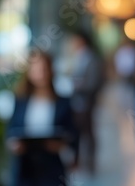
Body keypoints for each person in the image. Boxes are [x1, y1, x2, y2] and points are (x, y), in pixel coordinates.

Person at [7, 50, 79, 186]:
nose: (41, 74)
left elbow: (73, 134)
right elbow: (11, 129)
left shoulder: (63, 103)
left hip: (52, 167)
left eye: (44, 69)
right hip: (25, 168)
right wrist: (14, 145)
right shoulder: (20, 101)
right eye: (36, 70)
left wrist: (62, 145)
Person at [67, 29, 105, 174]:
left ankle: (90, 162)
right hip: (77, 101)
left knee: (88, 132)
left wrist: (78, 85)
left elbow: (94, 82)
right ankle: (79, 160)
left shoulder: (91, 58)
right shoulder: (77, 57)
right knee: (76, 132)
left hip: (87, 102)